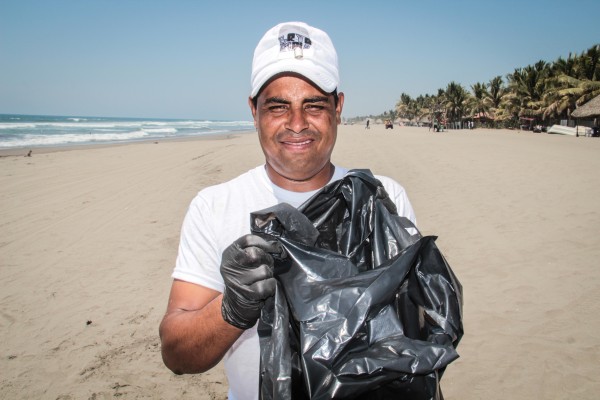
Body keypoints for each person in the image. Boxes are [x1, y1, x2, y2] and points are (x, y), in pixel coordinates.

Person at [159, 21, 417, 400]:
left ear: (338, 107)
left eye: (313, 105)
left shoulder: (383, 200)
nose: (297, 124)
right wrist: (232, 307)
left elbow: (413, 334)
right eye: (278, 107)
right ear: (254, 110)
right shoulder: (213, 206)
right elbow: (176, 353)